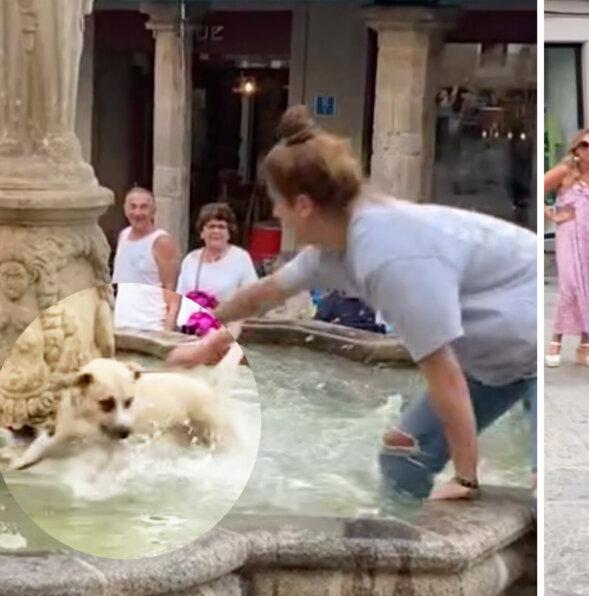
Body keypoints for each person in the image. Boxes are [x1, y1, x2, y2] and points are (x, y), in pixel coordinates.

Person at [167, 105, 538, 502]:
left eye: (277, 201)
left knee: (542, 492)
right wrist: (208, 340)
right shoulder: (334, 245)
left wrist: (465, 478)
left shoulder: (388, 256)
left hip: (532, 348)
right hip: (490, 363)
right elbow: (265, 293)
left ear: (304, 205)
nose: (275, 212)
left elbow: (443, 373)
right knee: (402, 458)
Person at [544, 129, 589, 369]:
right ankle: (555, 340)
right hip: (572, 236)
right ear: (576, 149)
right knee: (570, 285)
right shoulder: (565, 172)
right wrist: (553, 215)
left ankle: (585, 346)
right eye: (585, 145)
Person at [175, 203, 258, 336]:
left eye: (221, 227)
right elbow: (178, 298)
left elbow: (252, 299)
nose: (216, 231)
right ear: (202, 232)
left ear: (229, 233)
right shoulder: (190, 260)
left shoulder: (240, 258)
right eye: (211, 226)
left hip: (225, 331)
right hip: (190, 331)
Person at [112, 187, 181, 331]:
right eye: (133, 206)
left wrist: (169, 325)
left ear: (153, 211)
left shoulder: (162, 242)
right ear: (125, 210)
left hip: (152, 324)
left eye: (143, 207)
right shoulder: (123, 236)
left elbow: (171, 288)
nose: (137, 213)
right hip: (121, 322)